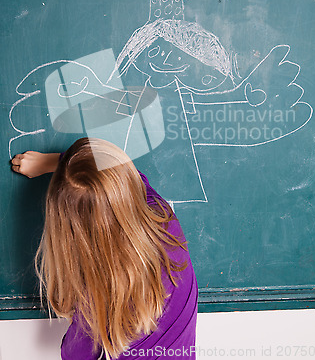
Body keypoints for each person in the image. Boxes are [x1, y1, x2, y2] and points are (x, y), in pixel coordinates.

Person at [11, 138, 198, 360]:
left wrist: (54, 165)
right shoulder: (163, 220)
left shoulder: (98, 293)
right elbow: (125, 175)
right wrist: (58, 162)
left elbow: (76, 355)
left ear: (67, 230)